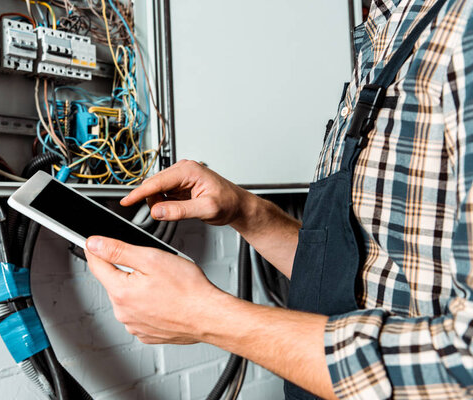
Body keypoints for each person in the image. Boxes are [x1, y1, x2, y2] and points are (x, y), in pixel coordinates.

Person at [84, 1, 473, 398]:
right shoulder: (389, 27)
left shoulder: (461, 29)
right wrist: (247, 212)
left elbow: (464, 366)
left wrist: (208, 317)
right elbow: (371, 275)